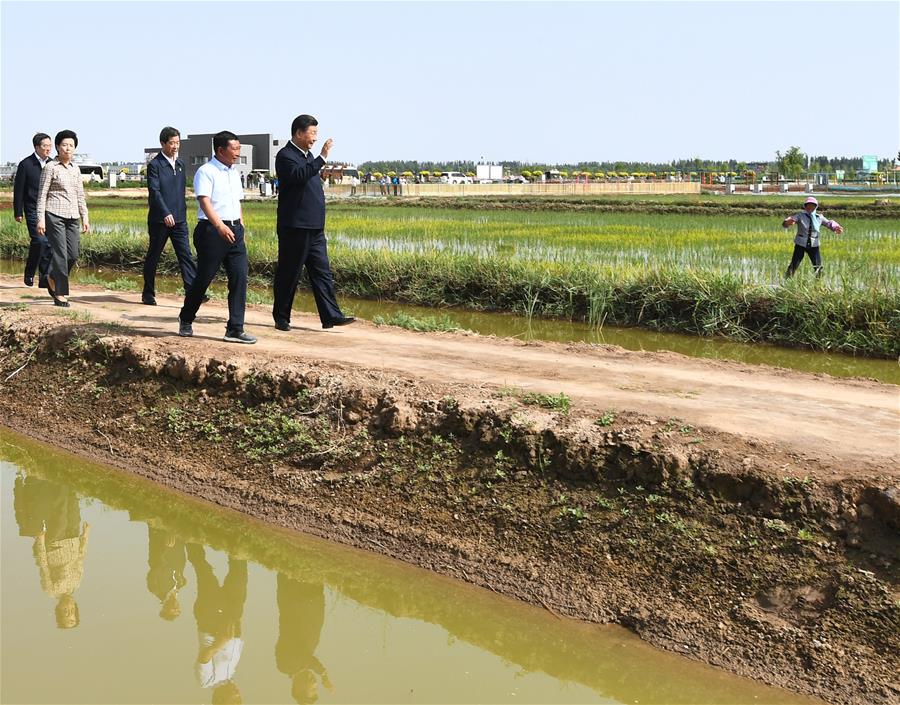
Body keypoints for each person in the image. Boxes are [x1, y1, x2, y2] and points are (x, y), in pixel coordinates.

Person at [271, 114, 354, 332]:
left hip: (315, 227)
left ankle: (331, 316)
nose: (315, 138)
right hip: (295, 227)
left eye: (317, 133)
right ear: (299, 133)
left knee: (322, 272)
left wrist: (317, 160)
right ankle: (281, 317)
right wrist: (322, 157)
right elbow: (299, 176)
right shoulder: (286, 156)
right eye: (312, 133)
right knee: (290, 273)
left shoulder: (307, 156)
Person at [178, 131, 256, 344]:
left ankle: (235, 328)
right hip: (212, 231)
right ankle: (186, 318)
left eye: (239, 149)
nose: (238, 153)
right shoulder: (206, 171)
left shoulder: (234, 173)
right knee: (203, 279)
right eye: (235, 149)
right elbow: (205, 202)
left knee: (239, 278)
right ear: (220, 150)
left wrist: (241, 226)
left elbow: (237, 202)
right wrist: (220, 226)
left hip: (234, 231)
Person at [14, 472, 89, 629]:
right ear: (75, 607)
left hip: (56, 542)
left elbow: (43, 564)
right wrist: (85, 535)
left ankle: (59, 476)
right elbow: (81, 558)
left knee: (60, 508)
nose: (68, 610)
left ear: (58, 610)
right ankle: (69, 477)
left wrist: (40, 541)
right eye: (71, 612)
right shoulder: (77, 584)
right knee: (72, 507)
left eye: (65, 613)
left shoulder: (50, 590)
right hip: (73, 538)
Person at [143, 126, 198, 306]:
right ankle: (148, 293)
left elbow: (180, 192)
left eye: (178, 143)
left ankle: (192, 292)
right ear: (163, 143)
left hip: (180, 219)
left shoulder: (180, 164)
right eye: (172, 143)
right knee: (154, 256)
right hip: (160, 220)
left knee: (185, 255)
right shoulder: (155, 165)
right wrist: (165, 212)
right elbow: (155, 192)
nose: (175, 146)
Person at [36, 130, 90, 307]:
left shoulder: (76, 169)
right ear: (58, 147)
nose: (68, 148)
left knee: (72, 254)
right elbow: (42, 195)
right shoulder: (51, 167)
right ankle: (59, 294)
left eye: (71, 146)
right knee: (60, 254)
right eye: (64, 145)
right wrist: (41, 219)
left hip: (73, 216)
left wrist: (85, 217)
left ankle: (51, 276)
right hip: (54, 214)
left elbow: (80, 195)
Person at [187, 544, 247, 705]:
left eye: (234, 701)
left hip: (210, 620)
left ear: (220, 700)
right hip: (232, 621)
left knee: (203, 569)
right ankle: (236, 535)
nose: (238, 695)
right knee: (239, 573)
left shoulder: (206, 682)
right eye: (239, 699)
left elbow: (203, 658)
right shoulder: (230, 675)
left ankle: (189, 531)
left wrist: (220, 642)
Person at [275, 573, 333, 704]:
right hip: (312, 596)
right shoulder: (304, 664)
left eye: (311, 689)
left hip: (295, 593)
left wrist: (322, 673)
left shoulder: (284, 665)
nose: (314, 683)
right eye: (315, 688)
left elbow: (301, 655)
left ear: (298, 688)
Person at [14, 133, 53, 288]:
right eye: (45, 146)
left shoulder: (52, 163)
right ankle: (29, 272)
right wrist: (18, 211)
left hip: (49, 210)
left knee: (49, 244)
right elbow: (19, 190)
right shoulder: (26, 164)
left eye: (50, 146)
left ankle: (44, 278)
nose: (48, 149)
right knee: (39, 240)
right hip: (32, 209)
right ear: (37, 147)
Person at [782, 196, 843, 278]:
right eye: (808, 205)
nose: (810, 207)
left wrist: (836, 227)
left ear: (816, 206)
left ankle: (819, 284)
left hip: (814, 245)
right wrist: (788, 222)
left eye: (812, 205)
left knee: (818, 266)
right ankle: (787, 279)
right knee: (794, 264)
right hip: (801, 244)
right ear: (805, 206)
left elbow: (829, 223)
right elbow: (790, 220)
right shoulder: (800, 216)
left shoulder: (819, 217)